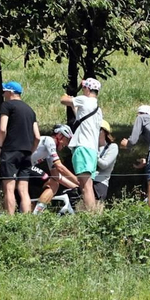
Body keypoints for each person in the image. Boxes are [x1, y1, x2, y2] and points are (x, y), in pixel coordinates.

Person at [57, 78, 103, 213]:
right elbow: (81, 118)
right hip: (92, 150)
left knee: (85, 186)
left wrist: (69, 97)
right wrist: (73, 105)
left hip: (83, 148)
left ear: (87, 89)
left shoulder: (85, 100)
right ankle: (92, 212)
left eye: (83, 88)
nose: (82, 91)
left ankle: (90, 215)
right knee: (86, 184)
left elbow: (62, 100)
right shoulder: (97, 108)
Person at [0, 81, 39, 215]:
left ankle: (10, 219)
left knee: (9, 188)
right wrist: (31, 151)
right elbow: (37, 136)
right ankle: (26, 220)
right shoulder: (30, 110)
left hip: (10, 150)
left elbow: (2, 129)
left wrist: (1, 146)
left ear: (10, 92)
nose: (3, 94)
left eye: (5, 92)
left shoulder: (7, 105)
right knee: (23, 189)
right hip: (26, 152)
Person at [32, 125, 80, 210]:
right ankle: (37, 215)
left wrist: (75, 186)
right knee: (53, 184)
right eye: (67, 140)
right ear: (59, 135)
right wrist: (79, 181)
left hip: (25, 167)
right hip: (23, 166)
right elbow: (59, 166)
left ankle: (34, 214)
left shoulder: (49, 151)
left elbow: (56, 176)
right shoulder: (49, 141)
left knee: (53, 182)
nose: (67, 144)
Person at [93, 122, 118, 205]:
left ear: (104, 132)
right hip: (87, 181)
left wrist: (92, 154)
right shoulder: (92, 146)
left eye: (98, 129)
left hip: (100, 184)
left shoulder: (112, 147)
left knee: (95, 211)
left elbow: (104, 165)